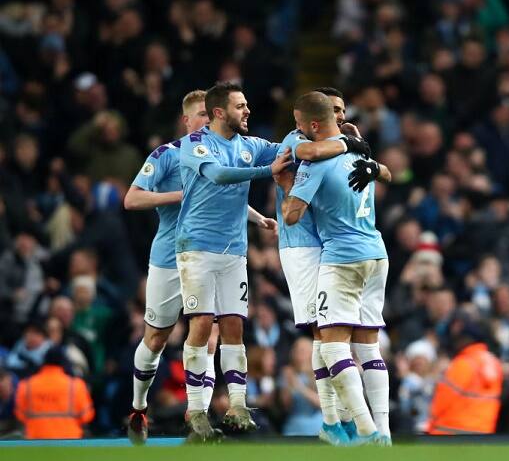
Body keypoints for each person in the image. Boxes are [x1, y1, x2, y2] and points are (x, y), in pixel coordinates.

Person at [123, 90, 278, 444]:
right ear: (187, 120)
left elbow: (227, 196)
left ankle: (200, 420)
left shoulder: (227, 146)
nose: (206, 123)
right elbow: (131, 199)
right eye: (201, 117)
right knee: (157, 337)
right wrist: (181, 194)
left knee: (209, 332)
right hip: (169, 256)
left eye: (210, 118)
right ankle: (138, 407)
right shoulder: (167, 155)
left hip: (215, 251)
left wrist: (257, 218)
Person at [175, 82, 292, 442]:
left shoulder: (249, 145)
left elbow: (288, 149)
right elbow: (218, 175)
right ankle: (196, 409)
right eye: (241, 106)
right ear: (219, 113)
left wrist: (330, 137)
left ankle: (238, 405)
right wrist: (266, 171)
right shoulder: (195, 145)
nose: (248, 111)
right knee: (201, 325)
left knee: (234, 326)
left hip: (234, 252)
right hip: (197, 248)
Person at [275, 86, 388, 445]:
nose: (341, 116)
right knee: (365, 345)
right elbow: (384, 172)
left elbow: (292, 216)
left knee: (331, 342)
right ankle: (368, 430)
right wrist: (364, 155)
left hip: (338, 255)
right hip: (376, 252)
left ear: (311, 122)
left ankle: (367, 430)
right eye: (335, 111)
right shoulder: (357, 155)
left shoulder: (317, 162)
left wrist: (285, 184)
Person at [427, 314, 503, 435]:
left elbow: (442, 401)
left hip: (450, 434)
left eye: (459, 338)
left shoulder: (463, 364)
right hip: (481, 436)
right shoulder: (494, 362)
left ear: (467, 339)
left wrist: (429, 428)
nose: (456, 341)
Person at [14, 347, 94, 439]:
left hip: (35, 441)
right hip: (70, 441)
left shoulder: (26, 385)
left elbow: (20, 414)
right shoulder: (76, 385)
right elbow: (87, 415)